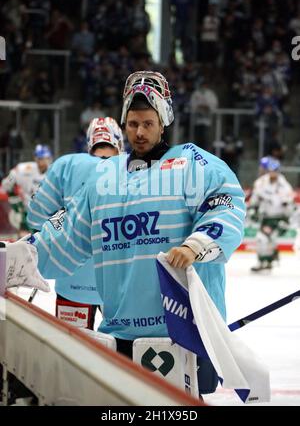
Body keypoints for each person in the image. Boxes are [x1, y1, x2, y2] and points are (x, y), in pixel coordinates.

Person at [30, 71, 246, 397]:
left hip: (185, 330)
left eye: (147, 123)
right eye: (132, 124)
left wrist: (197, 244)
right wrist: (23, 255)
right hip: (121, 331)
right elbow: (66, 236)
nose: (140, 132)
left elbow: (225, 206)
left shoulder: (194, 164)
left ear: (163, 121)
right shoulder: (104, 177)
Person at [26, 117, 124, 329]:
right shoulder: (135, 170)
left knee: (72, 353)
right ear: (119, 142)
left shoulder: (66, 165)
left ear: (90, 142)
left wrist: (62, 218)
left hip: (72, 283)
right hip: (121, 287)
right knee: (121, 357)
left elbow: (35, 216)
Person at [248, 157, 294, 272]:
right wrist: (253, 209)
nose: (272, 173)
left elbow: (288, 204)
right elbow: (255, 198)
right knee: (262, 239)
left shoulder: (284, 186)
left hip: (279, 217)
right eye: (271, 170)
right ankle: (266, 260)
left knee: (266, 238)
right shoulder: (261, 182)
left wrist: (287, 219)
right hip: (266, 216)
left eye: (275, 171)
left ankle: (267, 260)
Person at [1, 144, 52, 237]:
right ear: (36, 158)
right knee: (24, 239)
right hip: (27, 212)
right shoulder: (24, 169)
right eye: (40, 158)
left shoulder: (54, 171)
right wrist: (14, 199)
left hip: (47, 213)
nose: (43, 162)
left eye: (46, 158)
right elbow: (6, 184)